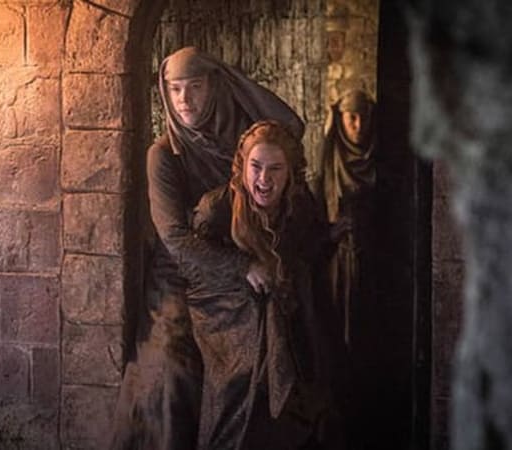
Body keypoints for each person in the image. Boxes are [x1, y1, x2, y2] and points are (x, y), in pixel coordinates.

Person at [109, 47, 304, 450]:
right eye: (175, 89)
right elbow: (175, 239)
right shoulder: (163, 156)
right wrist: (242, 265)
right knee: (170, 368)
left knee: (269, 347)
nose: (184, 100)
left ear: (215, 86)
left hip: (240, 269)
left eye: (195, 87)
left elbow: (289, 128)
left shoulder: (242, 141)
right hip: (180, 276)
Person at [186, 120, 343, 450]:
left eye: (275, 169)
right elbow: (195, 264)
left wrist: (331, 235)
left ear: (290, 173)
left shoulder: (298, 205)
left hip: (283, 306)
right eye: (256, 167)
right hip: (227, 319)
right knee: (254, 353)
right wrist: (242, 269)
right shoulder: (217, 209)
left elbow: (307, 249)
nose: (264, 179)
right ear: (242, 166)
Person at [310, 88, 376, 346]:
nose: (359, 125)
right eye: (352, 118)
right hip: (335, 261)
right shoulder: (328, 163)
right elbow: (310, 219)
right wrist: (330, 234)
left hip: (372, 258)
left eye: (364, 117)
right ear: (340, 119)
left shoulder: (381, 159)